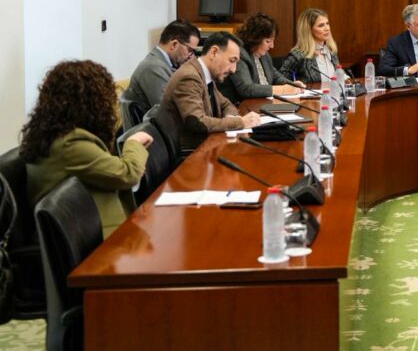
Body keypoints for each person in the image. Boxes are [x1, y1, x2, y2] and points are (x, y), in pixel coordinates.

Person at [21, 60, 152, 238]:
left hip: (89, 227)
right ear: (91, 101)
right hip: (97, 238)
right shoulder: (71, 144)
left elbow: (106, 166)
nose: (111, 104)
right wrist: (133, 143)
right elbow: (127, 174)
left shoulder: (56, 133)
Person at [159, 32, 261, 154]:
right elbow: (197, 122)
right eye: (231, 60)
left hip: (206, 146)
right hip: (190, 155)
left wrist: (231, 117)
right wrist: (240, 122)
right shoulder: (189, 77)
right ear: (213, 52)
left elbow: (226, 104)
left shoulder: (205, 74)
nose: (233, 69)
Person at [219, 12, 304, 104]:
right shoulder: (239, 54)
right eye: (268, 41)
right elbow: (247, 89)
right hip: (241, 107)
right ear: (255, 39)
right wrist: (282, 90)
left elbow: (275, 75)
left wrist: (291, 85)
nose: (272, 46)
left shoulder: (263, 54)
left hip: (264, 104)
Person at [122, 19, 201, 118]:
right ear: (174, 44)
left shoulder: (167, 64)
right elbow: (168, 111)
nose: (191, 56)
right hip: (147, 131)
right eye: (190, 50)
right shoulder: (152, 67)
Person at [279, 8, 340, 87]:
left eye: (327, 23)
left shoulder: (331, 51)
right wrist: (294, 86)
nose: (327, 28)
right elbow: (280, 79)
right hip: (310, 99)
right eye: (321, 25)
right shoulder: (298, 55)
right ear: (309, 30)